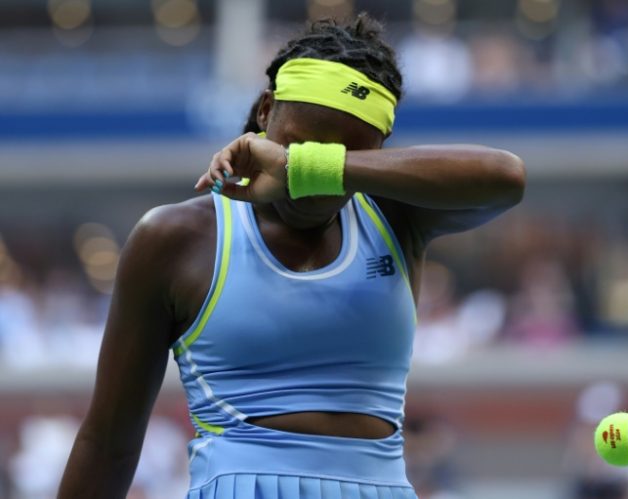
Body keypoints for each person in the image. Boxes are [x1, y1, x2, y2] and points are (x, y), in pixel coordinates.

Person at [58, 14, 525, 499]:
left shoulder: (397, 214)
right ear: (265, 111)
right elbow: (109, 441)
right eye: (298, 145)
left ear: (375, 155)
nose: (312, 182)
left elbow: (506, 178)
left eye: (338, 161)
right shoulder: (175, 237)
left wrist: (301, 164)